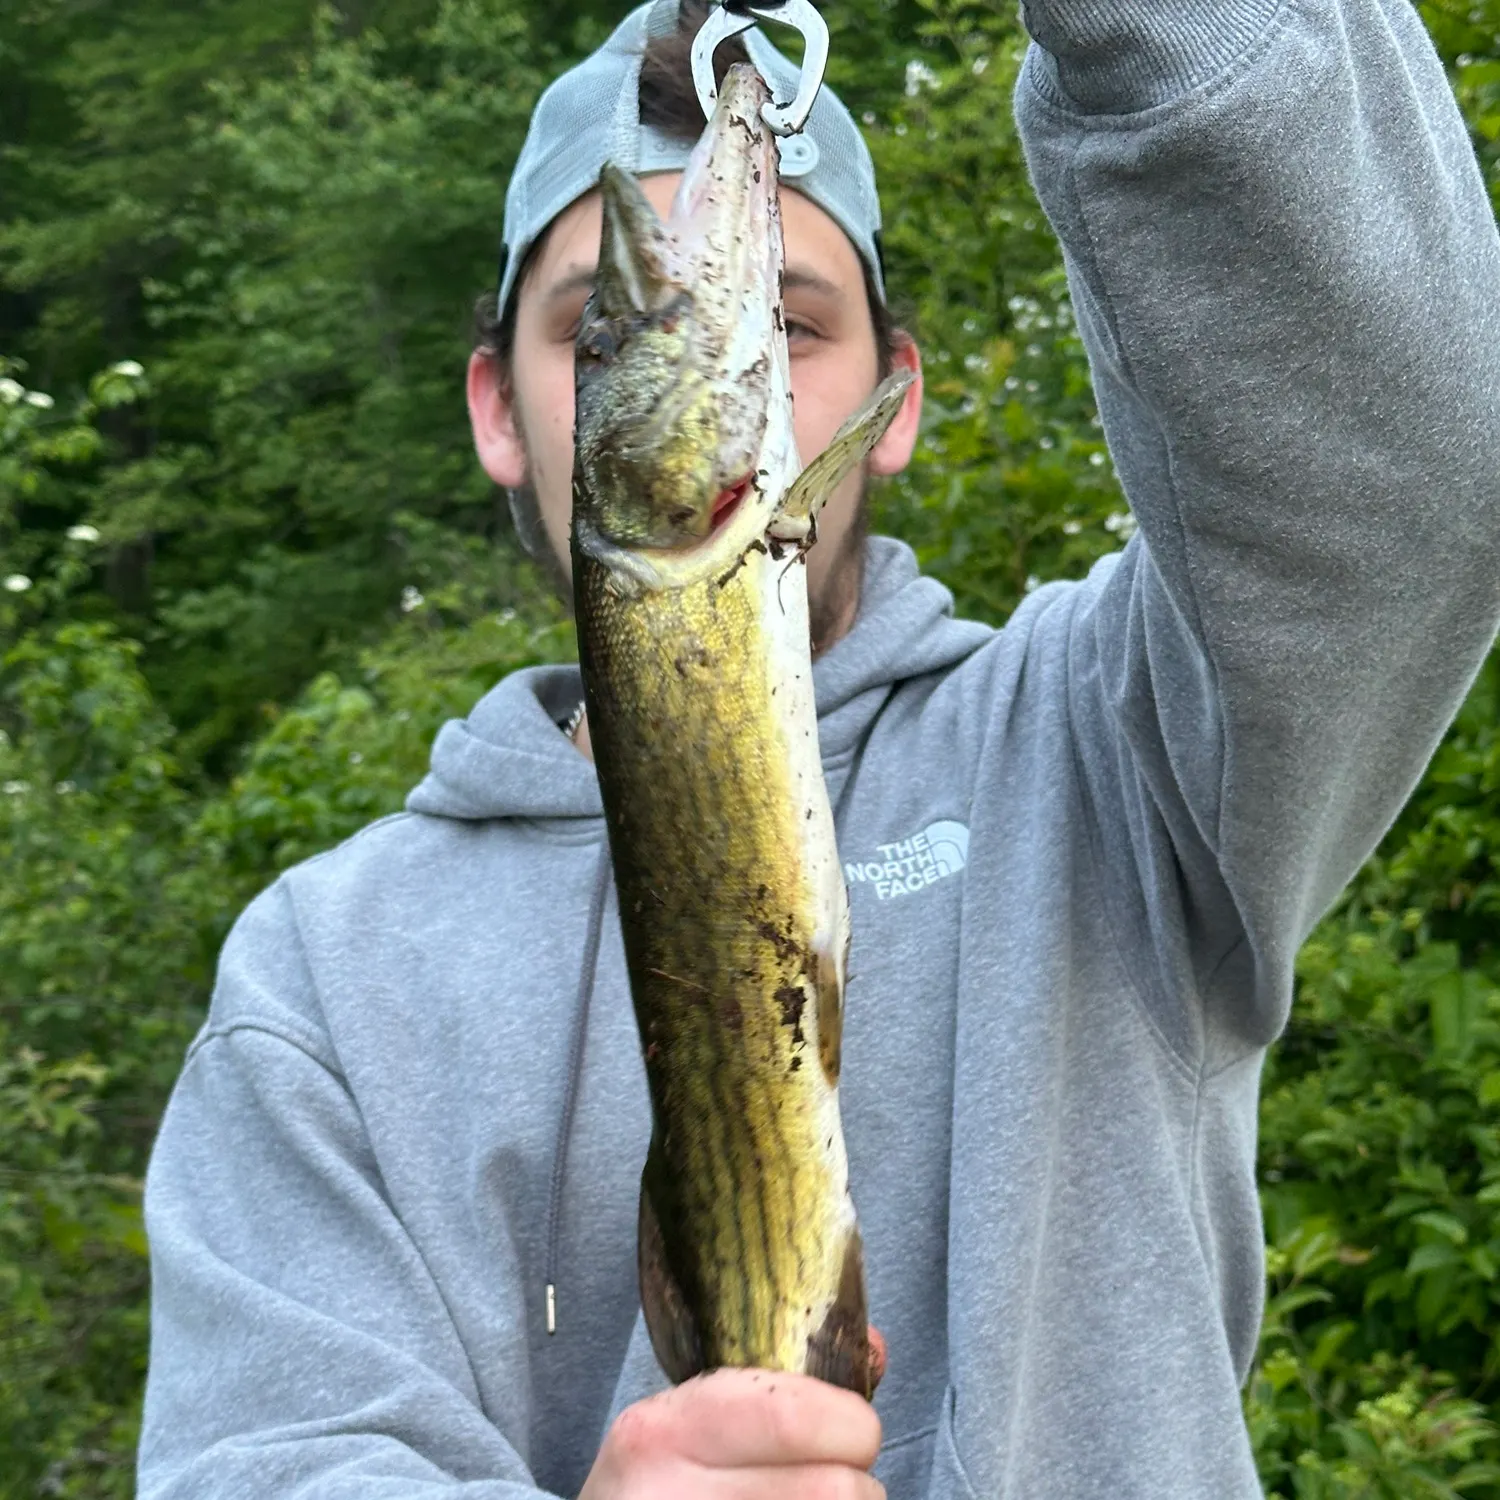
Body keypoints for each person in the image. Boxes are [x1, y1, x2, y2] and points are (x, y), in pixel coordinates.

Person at [136, 0, 1500, 1496]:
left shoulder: (1108, 750)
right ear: (502, 413)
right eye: (600, 329)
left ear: (891, 402)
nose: (734, 361)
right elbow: (263, 1458)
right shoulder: (322, 970)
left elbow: (1420, 469)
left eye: (790, 323)